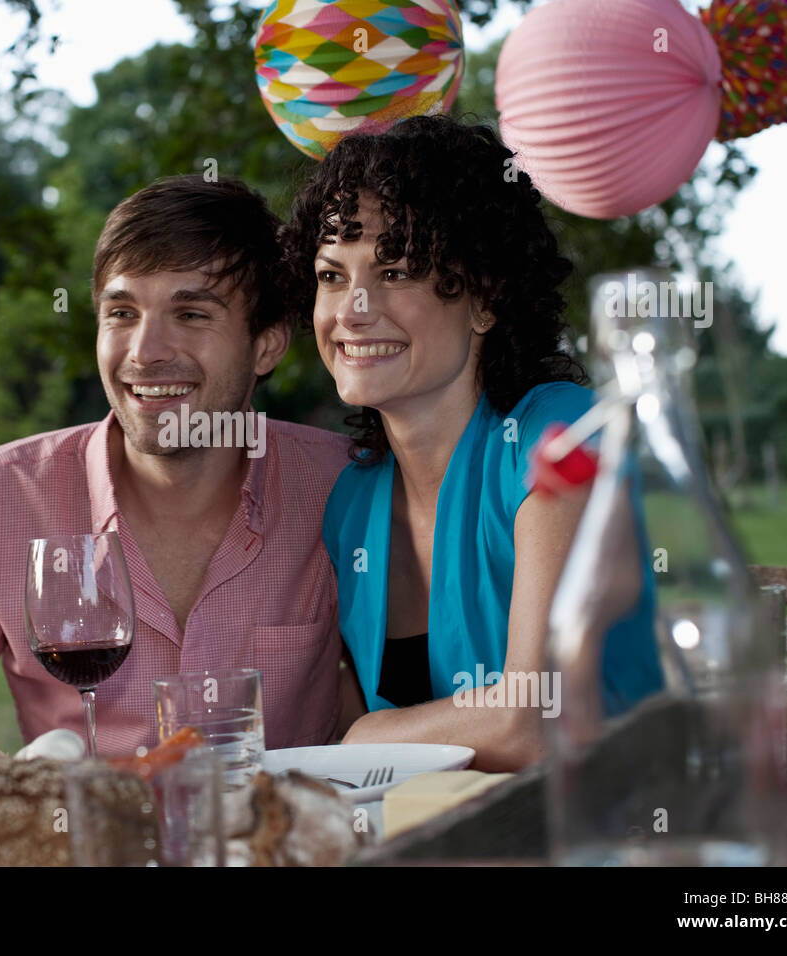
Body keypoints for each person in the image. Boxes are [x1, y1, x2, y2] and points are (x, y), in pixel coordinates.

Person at [0, 174, 359, 755]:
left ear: (266, 344)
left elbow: (391, 706)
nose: (145, 352)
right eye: (121, 313)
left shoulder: (342, 486)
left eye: (191, 314)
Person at [278, 115, 664, 771]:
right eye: (332, 275)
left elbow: (535, 722)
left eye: (396, 271)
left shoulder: (559, 437)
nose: (353, 310)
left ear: (485, 298)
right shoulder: (351, 506)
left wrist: (361, 738)